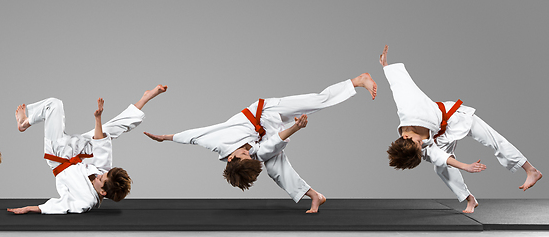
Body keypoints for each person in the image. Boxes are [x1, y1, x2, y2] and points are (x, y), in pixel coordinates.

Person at [144, 75, 376, 213]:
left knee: (315, 102)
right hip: (268, 134)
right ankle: (315, 195)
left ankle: (357, 80)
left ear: (231, 158)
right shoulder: (251, 156)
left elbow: (192, 136)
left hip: (265, 112)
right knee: (274, 168)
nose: (248, 154)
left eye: (245, 155)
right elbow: (270, 145)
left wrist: (164, 138)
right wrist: (295, 128)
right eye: (249, 156)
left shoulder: (216, 141)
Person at [381, 45, 542, 213]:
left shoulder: (408, 108)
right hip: (440, 137)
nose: (421, 145)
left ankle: (531, 170)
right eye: (420, 147)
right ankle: (469, 199)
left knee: (492, 139)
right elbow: (439, 157)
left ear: (407, 138)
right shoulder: (415, 146)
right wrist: (465, 166)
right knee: (441, 168)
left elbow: (399, 86)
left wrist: (386, 67)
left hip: (454, 118)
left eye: (418, 144)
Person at [7, 85, 167, 214]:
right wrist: (98, 118)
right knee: (110, 130)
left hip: (59, 157)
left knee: (54, 104)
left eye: (101, 179)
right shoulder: (105, 174)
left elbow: (60, 206)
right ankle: (144, 99)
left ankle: (24, 123)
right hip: (78, 152)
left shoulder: (85, 200)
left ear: (103, 192)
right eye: (103, 174)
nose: (99, 175)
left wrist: (29, 209)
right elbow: (100, 142)